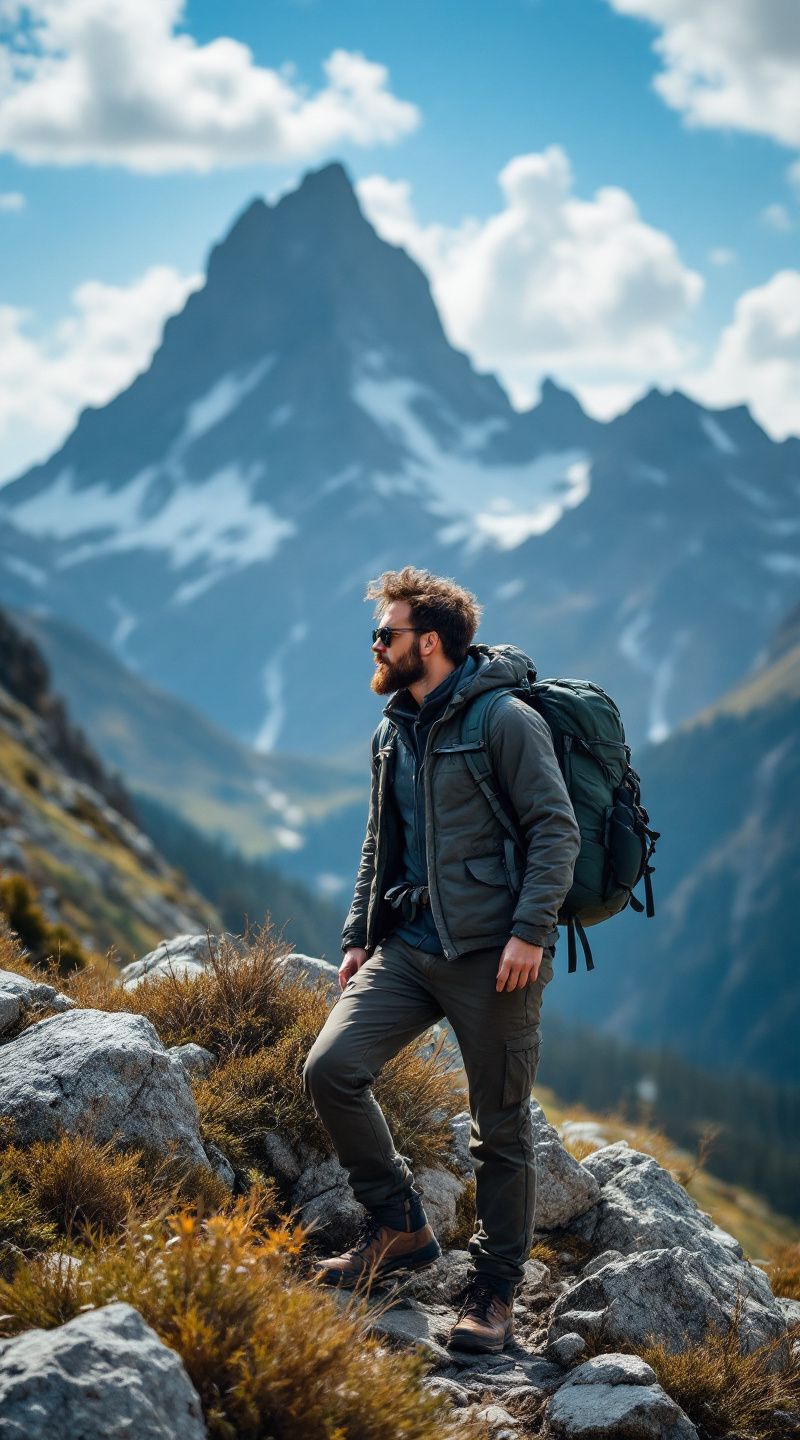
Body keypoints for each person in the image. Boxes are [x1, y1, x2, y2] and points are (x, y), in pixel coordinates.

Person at [303, 567, 580, 1354]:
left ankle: (493, 1291)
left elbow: (555, 830)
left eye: (385, 634)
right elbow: (376, 844)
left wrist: (531, 933)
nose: (375, 646)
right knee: (330, 1069)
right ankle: (397, 1227)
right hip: (406, 947)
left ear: (428, 642)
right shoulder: (392, 730)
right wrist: (358, 937)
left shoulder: (504, 720)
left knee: (501, 1132)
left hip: (495, 957)